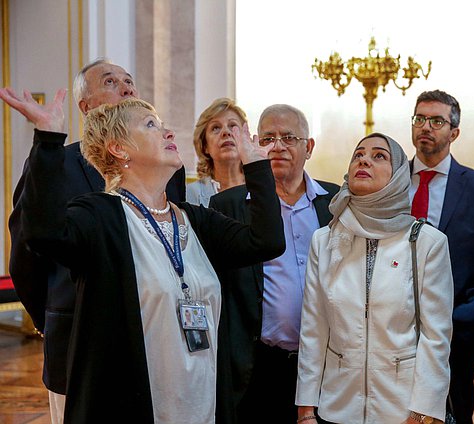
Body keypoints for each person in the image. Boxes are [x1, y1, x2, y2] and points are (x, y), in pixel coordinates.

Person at [1, 92, 284, 423]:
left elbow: (266, 242)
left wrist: (257, 168)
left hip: (202, 403)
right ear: (120, 148)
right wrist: (48, 140)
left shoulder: (195, 220)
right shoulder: (100, 216)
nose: (167, 132)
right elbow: (41, 232)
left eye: (163, 125)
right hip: (134, 408)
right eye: (151, 125)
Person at [3, 58, 185, 424]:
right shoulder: (56, 164)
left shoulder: (165, 169)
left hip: (154, 338)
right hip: (75, 339)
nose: (126, 87)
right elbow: (27, 251)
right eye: (111, 81)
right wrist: (51, 315)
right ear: (86, 107)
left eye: (129, 81)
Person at [295, 133, 454, 424]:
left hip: (403, 409)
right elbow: (314, 327)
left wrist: (423, 411)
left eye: (379, 155)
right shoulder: (325, 240)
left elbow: (436, 336)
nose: (364, 160)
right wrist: (306, 408)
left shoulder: (426, 242)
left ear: (398, 177)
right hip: (337, 405)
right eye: (358, 155)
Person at [209, 104, 339, 424]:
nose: (277, 146)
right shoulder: (228, 204)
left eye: (288, 138)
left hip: (325, 364)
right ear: (255, 144)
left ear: (308, 147)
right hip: (255, 365)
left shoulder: (336, 203)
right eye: (268, 138)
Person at [408, 89, 474, 424]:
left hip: (457, 324)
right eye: (420, 119)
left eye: (437, 120)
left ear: (454, 132)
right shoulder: (390, 182)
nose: (426, 126)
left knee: (454, 411)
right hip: (391, 323)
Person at [187, 98, 247, 206]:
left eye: (233, 126)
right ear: (205, 146)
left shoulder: (262, 188)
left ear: (245, 138)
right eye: (216, 128)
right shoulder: (190, 194)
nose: (226, 132)